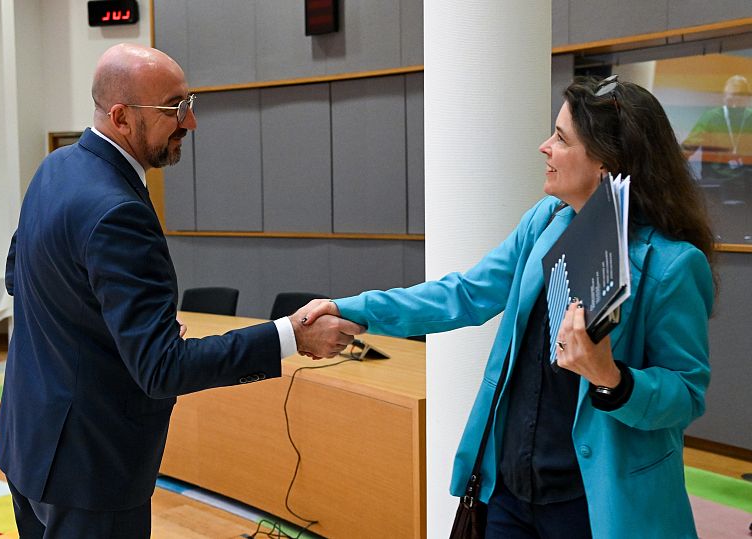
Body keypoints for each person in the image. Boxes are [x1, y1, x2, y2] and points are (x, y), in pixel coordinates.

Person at [301, 76, 716, 538]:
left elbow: (686, 393)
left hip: (595, 505)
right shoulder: (544, 221)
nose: (545, 147)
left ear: (606, 164)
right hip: (509, 491)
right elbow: (464, 293)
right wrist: (355, 310)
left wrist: (611, 379)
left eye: (561, 138)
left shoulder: (673, 266)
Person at [0, 43, 363, 539]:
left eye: (190, 103)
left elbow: (19, 277)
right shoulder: (117, 210)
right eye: (174, 108)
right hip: (91, 471)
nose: (190, 122)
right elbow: (161, 369)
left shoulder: (55, 169)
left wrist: (122, 331)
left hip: (28, 444)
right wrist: (291, 336)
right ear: (122, 118)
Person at [681, 74, 752, 242]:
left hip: (745, 180)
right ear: (724, 97)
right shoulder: (711, 117)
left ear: (747, 98)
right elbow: (689, 146)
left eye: (740, 96)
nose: (735, 100)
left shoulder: (750, 117)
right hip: (717, 180)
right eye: (731, 95)